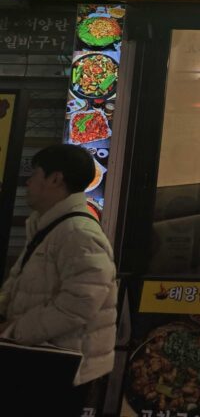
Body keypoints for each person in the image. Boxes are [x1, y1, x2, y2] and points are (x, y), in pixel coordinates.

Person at [0, 145, 117, 415]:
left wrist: (14, 331)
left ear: (55, 179)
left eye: (34, 173)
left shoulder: (78, 232)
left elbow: (79, 303)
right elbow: (20, 284)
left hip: (58, 368)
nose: (27, 182)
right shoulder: (50, 226)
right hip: (39, 360)